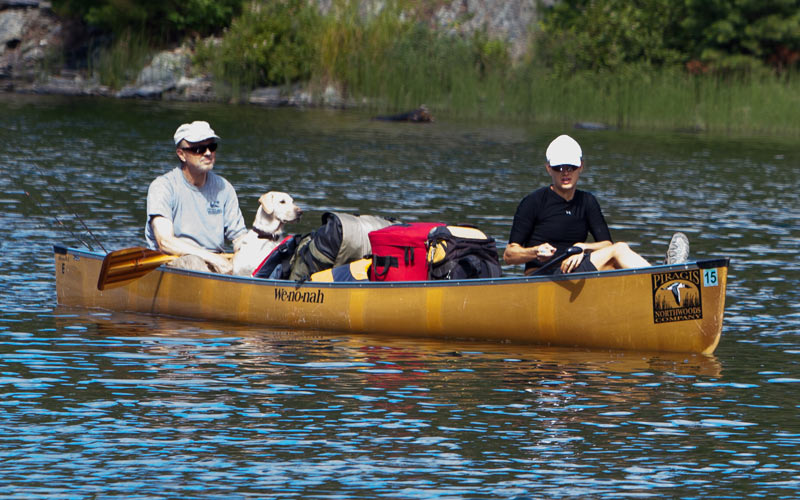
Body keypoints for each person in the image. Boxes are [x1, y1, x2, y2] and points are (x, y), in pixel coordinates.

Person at [503, 134, 688, 275]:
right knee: (620, 249)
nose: (565, 173)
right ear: (548, 168)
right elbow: (509, 255)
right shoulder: (533, 202)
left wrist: (583, 249)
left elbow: (606, 244)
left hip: (575, 270)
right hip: (543, 276)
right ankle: (663, 276)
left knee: (616, 258)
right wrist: (535, 252)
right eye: (559, 168)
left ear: (581, 167)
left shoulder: (587, 201)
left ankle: (661, 280)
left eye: (571, 167)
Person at [145, 120, 247, 274]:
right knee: (194, 262)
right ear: (181, 154)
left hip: (217, 262)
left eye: (212, 147)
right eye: (199, 149)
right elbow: (165, 242)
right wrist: (212, 258)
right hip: (176, 261)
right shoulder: (162, 187)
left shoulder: (224, 188)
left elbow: (239, 238)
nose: (207, 153)